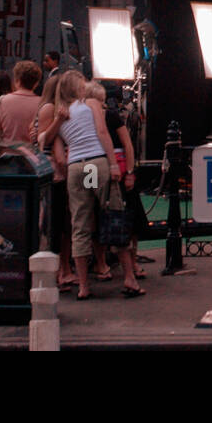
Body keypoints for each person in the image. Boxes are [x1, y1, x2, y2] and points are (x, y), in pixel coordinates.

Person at [38, 70, 119, 299]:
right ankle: (121, 270)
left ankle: (83, 285)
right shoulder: (91, 104)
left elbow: (48, 143)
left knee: (79, 223)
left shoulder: (59, 113)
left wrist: (59, 123)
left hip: (75, 168)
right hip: (94, 163)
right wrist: (113, 164)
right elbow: (102, 132)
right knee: (112, 211)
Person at [88, 82, 144, 297]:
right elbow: (128, 144)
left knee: (97, 212)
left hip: (94, 169)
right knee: (123, 214)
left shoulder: (93, 117)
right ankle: (130, 266)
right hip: (113, 169)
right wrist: (129, 171)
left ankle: (102, 265)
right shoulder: (109, 115)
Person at [32, 75, 74, 288]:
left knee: (62, 223)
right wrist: (59, 121)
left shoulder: (50, 108)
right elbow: (44, 139)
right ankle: (59, 271)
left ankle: (63, 269)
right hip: (54, 173)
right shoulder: (50, 109)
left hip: (56, 172)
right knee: (56, 224)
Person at [0, 60, 42, 144]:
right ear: (36, 83)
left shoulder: (3, 100)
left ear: (17, 80)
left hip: (7, 152)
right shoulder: (42, 103)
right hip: (32, 154)